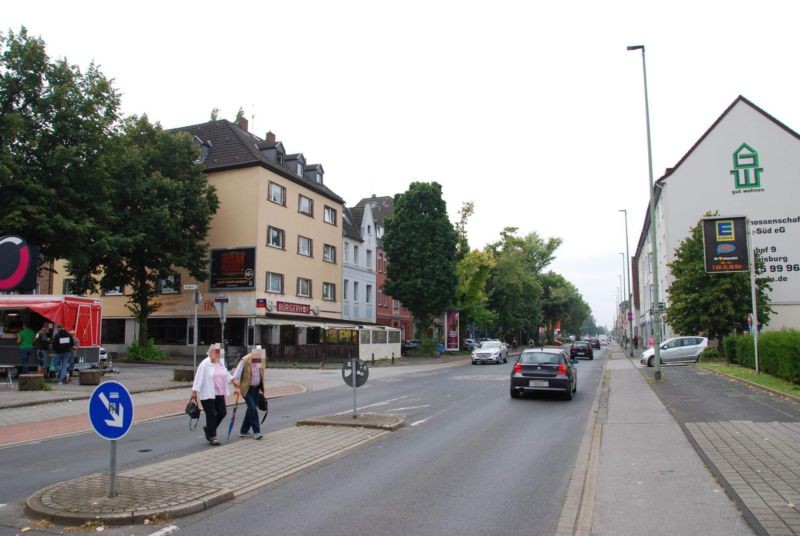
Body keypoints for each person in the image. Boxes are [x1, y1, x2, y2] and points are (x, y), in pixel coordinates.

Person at [191, 344, 232, 446]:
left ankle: (209, 429)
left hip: (219, 393)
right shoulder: (205, 364)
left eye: (219, 352)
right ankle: (213, 437)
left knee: (222, 412)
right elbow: (198, 377)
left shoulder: (220, 363)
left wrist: (233, 380)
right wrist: (194, 391)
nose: (218, 355)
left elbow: (225, 374)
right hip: (208, 393)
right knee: (212, 414)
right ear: (210, 353)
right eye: (216, 352)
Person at [231, 351, 266, 440]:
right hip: (247, 389)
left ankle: (244, 430)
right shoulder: (245, 360)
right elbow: (235, 376)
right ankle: (257, 432)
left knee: (251, 409)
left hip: (256, 389)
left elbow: (261, 375)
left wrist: (262, 390)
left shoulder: (261, 360)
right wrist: (237, 388)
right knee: (253, 408)